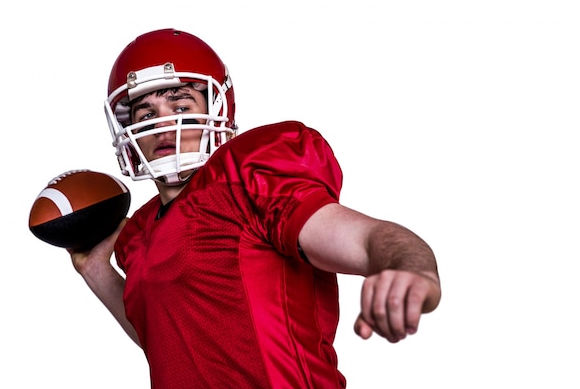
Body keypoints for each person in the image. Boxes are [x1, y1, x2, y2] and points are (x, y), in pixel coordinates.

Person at [69, 28, 441, 388]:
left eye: (180, 105)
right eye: (146, 115)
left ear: (216, 111)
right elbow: (166, 340)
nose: (163, 125)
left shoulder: (245, 177)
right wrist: (95, 269)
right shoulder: (138, 233)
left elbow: (366, 237)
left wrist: (409, 267)